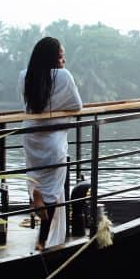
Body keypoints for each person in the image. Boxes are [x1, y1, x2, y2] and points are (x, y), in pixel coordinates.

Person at [18, 37, 82, 250]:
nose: (64, 60)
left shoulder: (25, 76)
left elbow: (30, 106)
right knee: (53, 192)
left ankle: (34, 195)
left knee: (36, 179)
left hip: (32, 137)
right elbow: (76, 104)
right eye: (61, 56)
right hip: (53, 140)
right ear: (52, 58)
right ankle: (42, 240)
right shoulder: (63, 76)